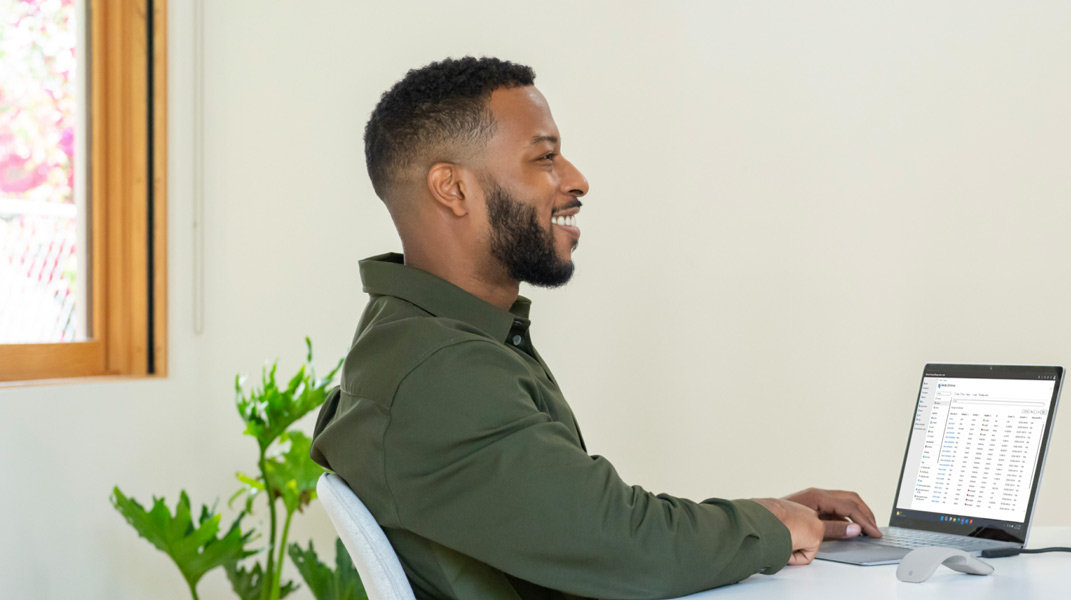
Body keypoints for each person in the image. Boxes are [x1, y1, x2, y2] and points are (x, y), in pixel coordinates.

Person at [308, 56, 881, 600]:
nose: (577, 180)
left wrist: (770, 515)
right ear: (453, 188)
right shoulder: (442, 369)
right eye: (544, 158)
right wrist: (771, 524)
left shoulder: (420, 335)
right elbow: (625, 545)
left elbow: (587, 520)